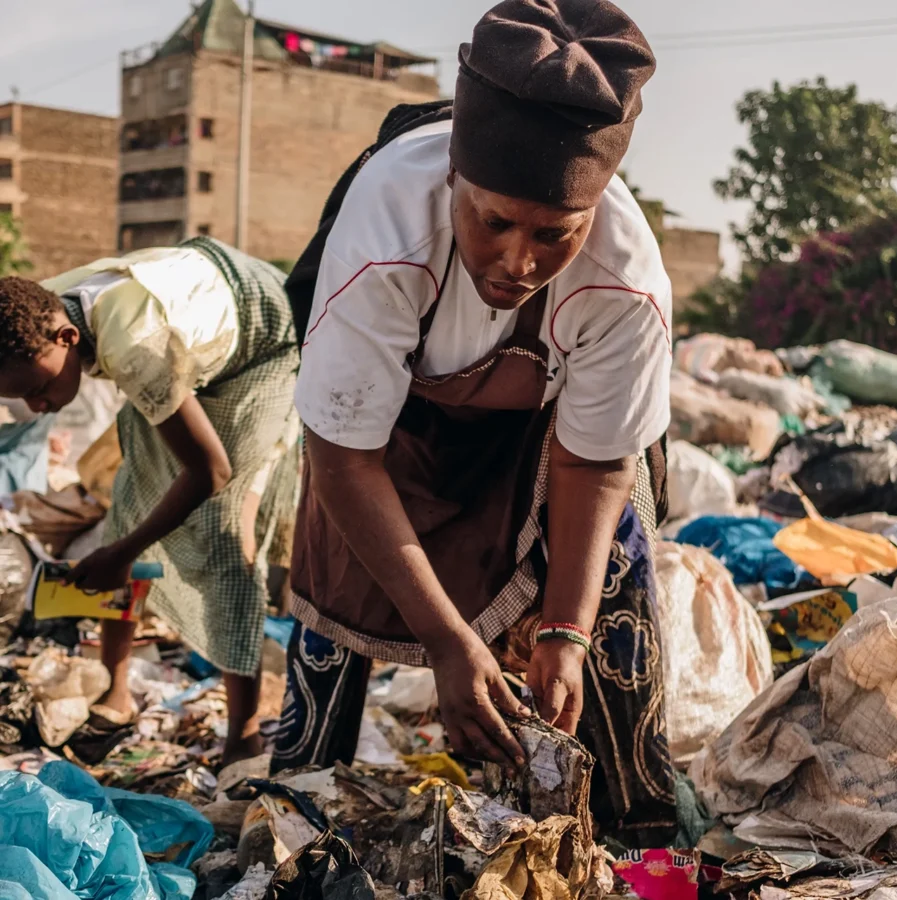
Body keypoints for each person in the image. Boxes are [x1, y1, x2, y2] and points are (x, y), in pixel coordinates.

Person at [276, 0, 675, 844]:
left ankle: (635, 827)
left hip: (545, 435)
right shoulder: (386, 228)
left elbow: (593, 466)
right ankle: (298, 802)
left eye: (554, 234)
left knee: (609, 583)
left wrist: (563, 632)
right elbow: (345, 458)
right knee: (335, 574)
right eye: (493, 222)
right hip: (393, 430)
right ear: (455, 174)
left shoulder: (626, 282)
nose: (518, 262)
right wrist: (453, 646)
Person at [0, 238, 299, 764]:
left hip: (264, 343)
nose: (39, 406)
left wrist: (120, 556)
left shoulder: (134, 345)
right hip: (187, 334)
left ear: (68, 337)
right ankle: (116, 694)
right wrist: (125, 544)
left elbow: (211, 471)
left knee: (225, 532)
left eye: (39, 389)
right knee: (130, 506)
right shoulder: (42, 308)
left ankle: (243, 733)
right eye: (22, 399)